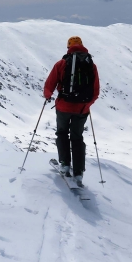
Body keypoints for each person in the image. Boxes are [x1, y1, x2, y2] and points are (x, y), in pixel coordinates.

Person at [43, 36, 100, 185]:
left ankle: (65, 164)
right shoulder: (91, 65)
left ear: (68, 48)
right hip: (81, 109)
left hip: (63, 106)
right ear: (82, 46)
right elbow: (95, 91)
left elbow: (50, 84)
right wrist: (87, 104)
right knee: (77, 137)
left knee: (62, 133)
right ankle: (79, 172)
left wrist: (48, 96)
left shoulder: (61, 63)